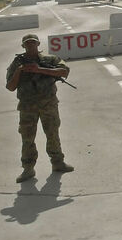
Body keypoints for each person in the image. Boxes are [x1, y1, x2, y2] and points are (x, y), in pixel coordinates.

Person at [5, 33, 74, 182]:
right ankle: (28, 169)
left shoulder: (50, 59)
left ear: (38, 44)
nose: (30, 46)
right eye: (27, 44)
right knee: (27, 138)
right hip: (27, 107)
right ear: (23, 46)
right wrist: (20, 71)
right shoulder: (17, 63)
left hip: (48, 104)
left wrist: (39, 70)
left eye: (33, 43)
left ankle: (57, 162)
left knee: (52, 134)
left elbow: (64, 72)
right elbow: (10, 87)